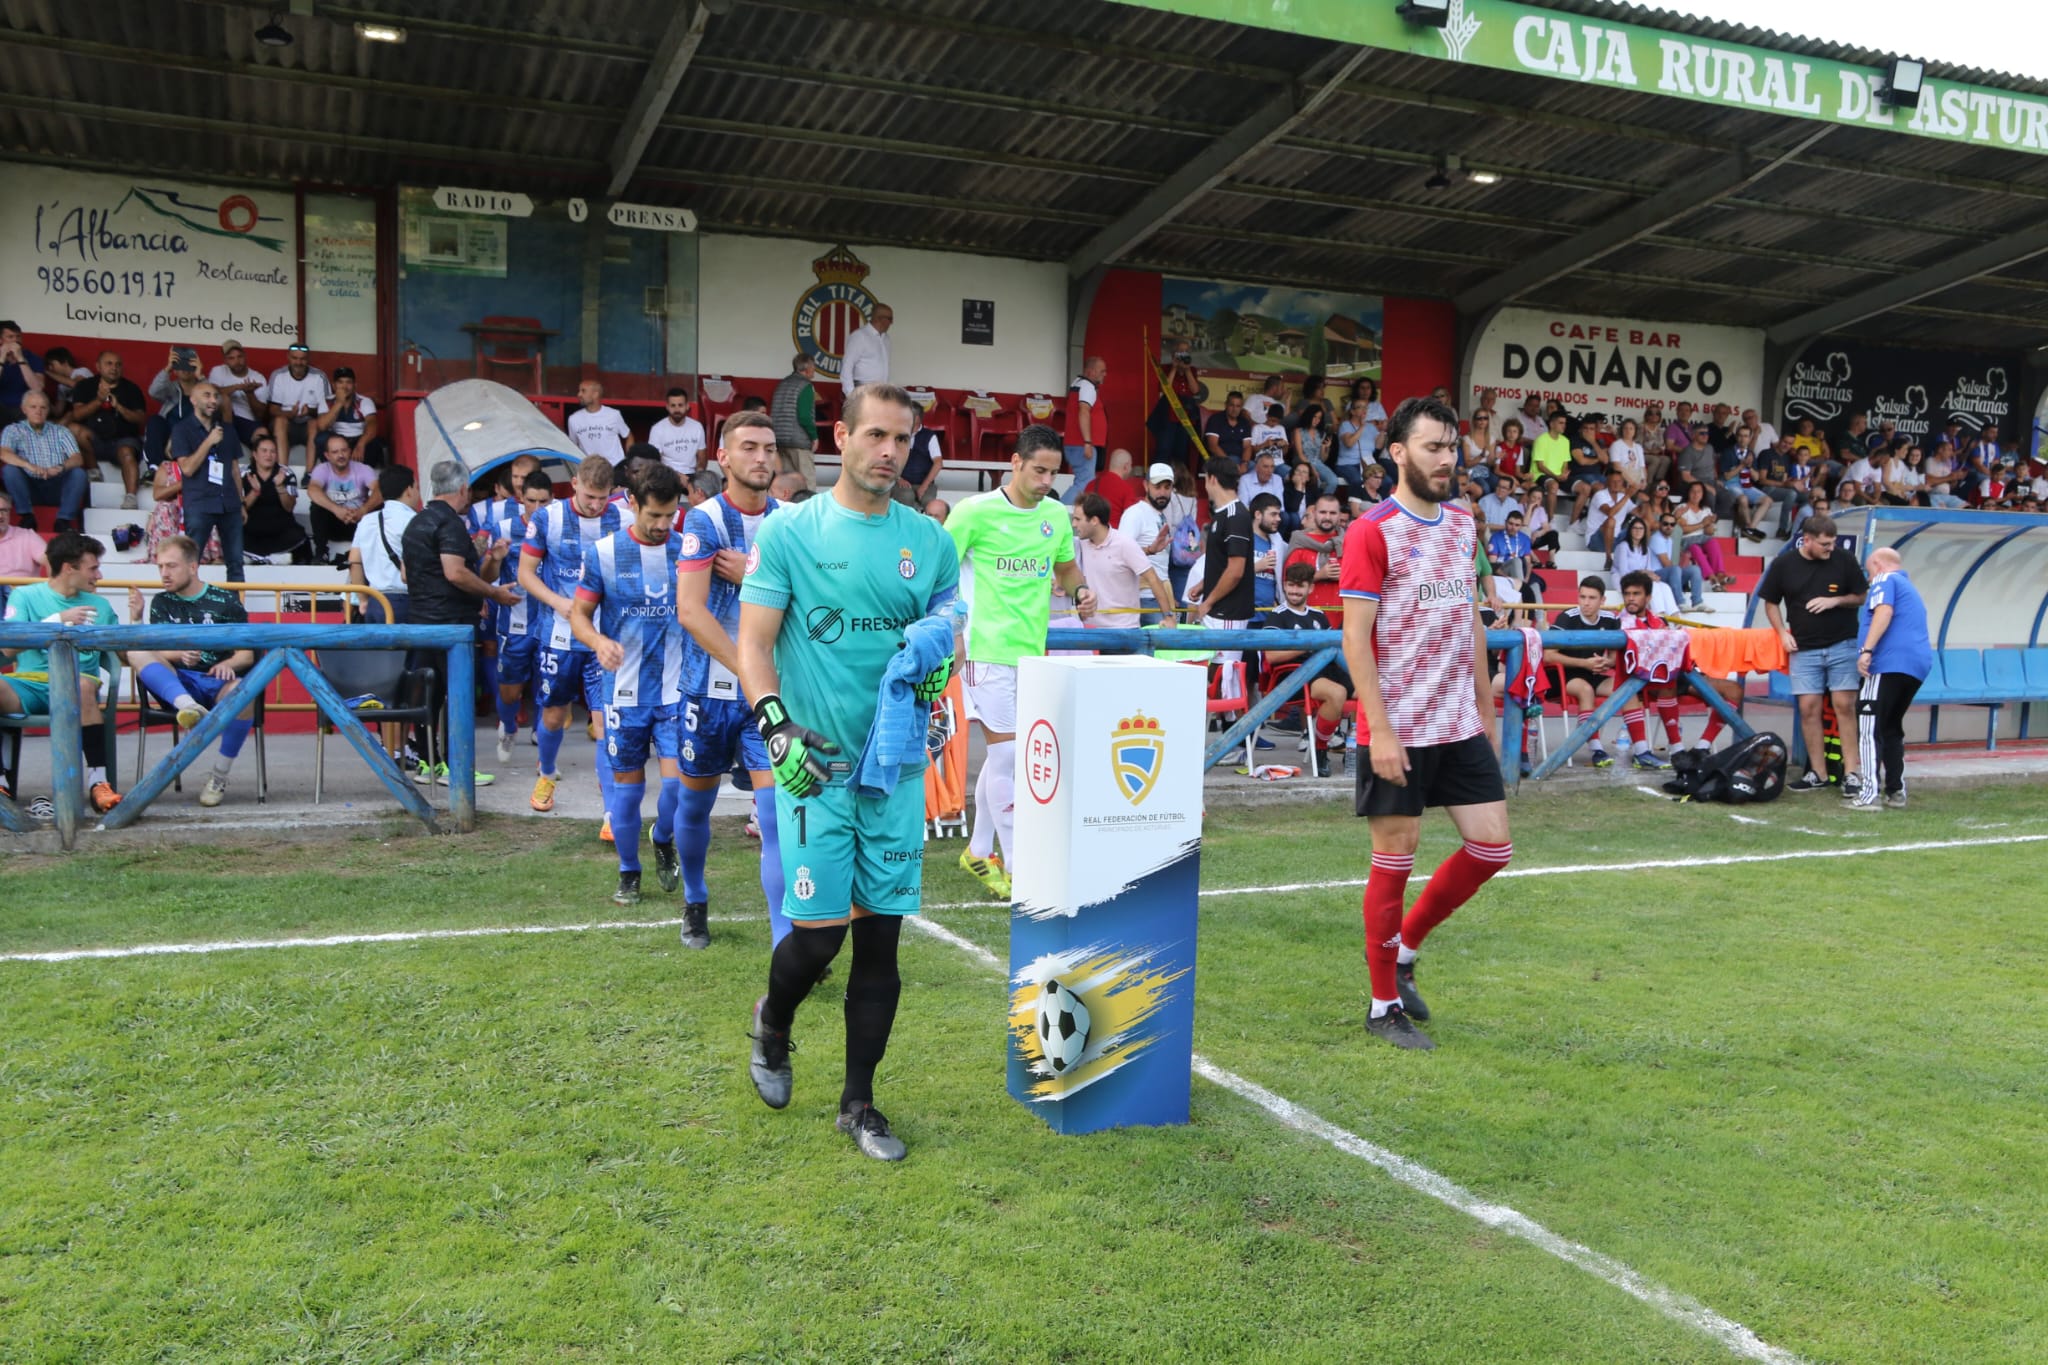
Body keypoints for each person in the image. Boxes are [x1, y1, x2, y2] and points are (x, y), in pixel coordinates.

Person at [737, 380, 960, 1162]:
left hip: (893, 774)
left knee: (882, 943)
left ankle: (859, 1102)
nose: (889, 451)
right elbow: (754, 646)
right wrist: (777, 729)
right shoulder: (793, 530)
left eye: (901, 439)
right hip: (813, 770)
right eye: (874, 435)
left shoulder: (929, 541)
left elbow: (942, 635)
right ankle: (775, 1019)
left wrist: (933, 682)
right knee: (820, 938)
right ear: (841, 435)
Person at [1340, 396, 1512, 1050]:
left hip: (1456, 720)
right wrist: (1379, 729)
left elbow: (1467, 616)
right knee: (1394, 859)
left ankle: (1406, 949)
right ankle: (1384, 1003)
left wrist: (1486, 707)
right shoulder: (1371, 531)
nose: (1447, 458)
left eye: (1451, 446)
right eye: (1433, 446)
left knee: (1492, 846)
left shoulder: (1464, 522)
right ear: (1398, 453)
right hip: (1398, 726)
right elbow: (1356, 638)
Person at [946, 423, 1094, 897]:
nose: (1047, 480)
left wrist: (1080, 590)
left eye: (1053, 472)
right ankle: (1018, 865)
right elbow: (939, 570)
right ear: (1014, 463)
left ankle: (976, 850)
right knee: (1011, 755)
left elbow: (1066, 566)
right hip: (984, 650)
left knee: (1005, 757)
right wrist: (952, 631)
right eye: (1038, 470)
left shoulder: (1054, 515)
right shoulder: (973, 512)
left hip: (1032, 653)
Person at [673, 412, 785, 948]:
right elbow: (691, 611)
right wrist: (749, 671)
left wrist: (757, 573)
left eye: (768, 448)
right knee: (695, 805)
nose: (761, 457)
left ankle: (788, 940)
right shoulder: (704, 522)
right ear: (724, 458)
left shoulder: (791, 521)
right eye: (748, 447)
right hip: (709, 692)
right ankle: (695, 900)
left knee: (775, 816)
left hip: (767, 700)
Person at [568, 462, 689, 907]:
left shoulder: (689, 551)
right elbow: (578, 615)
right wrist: (598, 641)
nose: (662, 525)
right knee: (628, 790)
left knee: (678, 788)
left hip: (678, 691)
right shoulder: (603, 553)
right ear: (632, 503)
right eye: (653, 515)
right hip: (623, 692)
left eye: (669, 515)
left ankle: (662, 836)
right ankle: (628, 872)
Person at [520, 457, 626, 824]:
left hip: (603, 640)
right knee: (553, 717)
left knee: (604, 722)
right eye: (589, 496)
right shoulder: (547, 519)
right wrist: (558, 602)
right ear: (575, 483)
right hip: (559, 638)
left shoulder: (623, 519)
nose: (596, 505)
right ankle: (547, 774)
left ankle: (611, 812)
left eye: (602, 498)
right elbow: (525, 573)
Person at [401, 460, 517, 786]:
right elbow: (454, 572)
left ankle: (428, 764)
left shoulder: (416, 523)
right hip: (451, 625)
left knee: (428, 696)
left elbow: (407, 574)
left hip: (420, 622)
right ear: (463, 488)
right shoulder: (450, 523)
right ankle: (457, 765)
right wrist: (492, 592)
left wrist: (485, 555)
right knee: (458, 695)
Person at [125, 535, 256, 808]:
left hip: (215, 682)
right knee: (135, 651)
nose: (164, 574)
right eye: (160, 567)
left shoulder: (226, 601)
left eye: (171, 566)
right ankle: (189, 707)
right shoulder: (161, 602)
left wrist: (227, 664)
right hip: (175, 684)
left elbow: (247, 654)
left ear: (193, 567)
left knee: (245, 694)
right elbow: (154, 650)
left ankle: (219, 777)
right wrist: (137, 620)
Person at [0, 531, 122, 813]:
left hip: (79, 686)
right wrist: (56, 621)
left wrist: (137, 619)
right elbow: (8, 650)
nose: (99, 575)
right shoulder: (25, 595)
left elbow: (122, 651)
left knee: (81, 685)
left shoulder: (101, 606)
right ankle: (2, 781)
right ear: (69, 568)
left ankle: (98, 784)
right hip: (28, 687)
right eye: (93, 568)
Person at [1756, 513, 1867, 795]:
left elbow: (1861, 595)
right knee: (1808, 710)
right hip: (1804, 648)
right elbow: (1770, 602)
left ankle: (1852, 773)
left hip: (1842, 643)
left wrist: (1835, 601)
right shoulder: (1784, 564)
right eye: (1825, 544)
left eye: (1832, 543)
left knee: (1844, 705)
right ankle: (1817, 773)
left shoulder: (1844, 560)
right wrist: (1782, 633)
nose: (1831, 548)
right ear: (1806, 540)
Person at [1849, 547, 1931, 811]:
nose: (1868, 577)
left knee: (1868, 727)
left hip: (1888, 663)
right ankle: (1896, 791)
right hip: (1915, 667)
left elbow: (1884, 612)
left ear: (1876, 563)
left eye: (1868, 569)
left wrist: (1867, 650)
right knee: (1891, 727)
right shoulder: (1910, 588)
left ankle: (1868, 794)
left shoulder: (1885, 579)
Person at [1256, 560, 1352, 767]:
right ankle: (1320, 746)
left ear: (1311, 588)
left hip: (1326, 668)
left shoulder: (1318, 615)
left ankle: (1359, 748)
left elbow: (1333, 648)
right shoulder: (1277, 616)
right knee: (1337, 694)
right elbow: (1271, 656)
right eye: (1290, 585)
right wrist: (1311, 643)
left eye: (1300, 586)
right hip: (1294, 675)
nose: (1294, 590)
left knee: (1370, 688)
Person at [486, 469, 552, 761]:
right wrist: (494, 559)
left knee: (548, 688)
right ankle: (509, 725)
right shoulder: (503, 528)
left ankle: (545, 754)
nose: (537, 508)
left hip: (551, 622)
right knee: (510, 693)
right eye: (531, 501)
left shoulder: (560, 528)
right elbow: (486, 576)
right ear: (520, 499)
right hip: (514, 623)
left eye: (544, 502)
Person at [167, 381, 248, 584]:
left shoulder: (227, 429)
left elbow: (234, 469)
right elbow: (187, 468)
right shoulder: (181, 429)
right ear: (193, 400)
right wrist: (209, 442)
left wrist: (242, 502)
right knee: (191, 562)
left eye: (215, 395)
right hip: (199, 502)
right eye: (207, 395)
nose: (213, 400)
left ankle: (235, 611)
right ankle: (190, 608)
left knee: (236, 563)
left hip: (229, 501)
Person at [1071, 492, 1172, 630]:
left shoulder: (1125, 544)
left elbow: (1153, 578)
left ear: (1094, 520)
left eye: (1077, 519)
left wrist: (1169, 617)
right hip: (1091, 631)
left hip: (1124, 631)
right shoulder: (1080, 544)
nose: (1073, 524)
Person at [1, 391, 88, 534]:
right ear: (24, 409)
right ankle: (27, 516)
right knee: (9, 470)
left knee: (78, 473)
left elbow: (77, 458)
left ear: (48, 410)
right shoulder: (13, 430)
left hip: (56, 485)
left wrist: (60, 467)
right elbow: (4, 453)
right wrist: (29, 465)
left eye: (43, 407)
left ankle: (63, 521)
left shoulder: (61, 431)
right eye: (33, 407)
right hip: (29, 486)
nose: (38, 411)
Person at [67, 351, 148, 503]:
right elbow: (77, 415)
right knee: (74, 429)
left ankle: (131, 498)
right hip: (94, 442)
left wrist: (119, 407)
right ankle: (93, 471)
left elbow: (140, 419)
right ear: (98, 366)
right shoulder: (85, 386)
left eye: (118, 364)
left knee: (127, 452)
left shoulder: (131, 389)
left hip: (122, 440)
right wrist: (98, 400)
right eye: (109, 363)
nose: (114, 368)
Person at [1189, 455, 1254, 643]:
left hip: (1227, 613)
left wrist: (1208, 602)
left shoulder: (1236, 516)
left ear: (1212, 479)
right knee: (1214, 670)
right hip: (1218, 610)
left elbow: (1235, 570)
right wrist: (1203, 585)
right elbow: (1222, 561)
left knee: (1226, 672)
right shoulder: (1223, 514)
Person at [1119, 462, 1191, 625]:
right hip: (1144, 598)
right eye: (1157, 486)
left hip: (1160, 597)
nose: (1163, 493)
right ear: (1145, 485)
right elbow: (1120, 553)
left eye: (1167, 487)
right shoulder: (1135, 514)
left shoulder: (1159, 515)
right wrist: (1149, 550)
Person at [348, 464, 421, 624]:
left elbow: (354, 562)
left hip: (374, 601)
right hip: (404, 602)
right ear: (409, 490)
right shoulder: (414, 521)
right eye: (416, 488)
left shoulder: (366, 521)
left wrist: (363, 600)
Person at [305, 432, 380, 567]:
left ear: (350, 451)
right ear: (327, 455)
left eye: (344, 450)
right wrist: (336, 510)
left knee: (379, 504)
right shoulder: (321, 469)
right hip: (334, 523)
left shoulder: (363, 469)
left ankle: (374, 551)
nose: (341, 455)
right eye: (335, 452)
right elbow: (312, 490)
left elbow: (379, 491)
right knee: (316, 505)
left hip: (358, 522)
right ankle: (321, 552)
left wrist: (363, 510)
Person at [239, 433, 308, 563]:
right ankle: (265, 558)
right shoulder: (244, 474)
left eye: (272, 451)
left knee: (298, 537)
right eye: (264, 451)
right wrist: (255, 491)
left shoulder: (286, 473)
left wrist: (280, 487)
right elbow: (241, 509)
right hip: (252, 529)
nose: (268, 455)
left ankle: (267, 558)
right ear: (254, 454)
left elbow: (289, 507)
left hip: (281, 529)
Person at [267, 342, 331, 466]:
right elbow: (273, 409)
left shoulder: (319, 376)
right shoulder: (278, 375)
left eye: (302, 359)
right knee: (280, 421)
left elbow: (327, 410)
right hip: (286, 424)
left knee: (313, 423)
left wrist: (311, 411)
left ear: (308, 359)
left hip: (308, 424)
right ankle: (283, 470)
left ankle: (309, 473)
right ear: (288, 357)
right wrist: (290, 414)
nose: (298, 362)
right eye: (295, 358)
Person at [312, 367, 386, 468]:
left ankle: (362, 473)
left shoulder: (364, 401)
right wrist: (339, 403)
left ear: (355, 385)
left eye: (348, 382)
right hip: (337, 440)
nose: (344, 387)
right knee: (321, 438)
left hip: (358, 440)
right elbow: (322, 426)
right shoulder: (326, 401)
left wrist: (361, 444)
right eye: (340, 382)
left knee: (374, 443)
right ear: (334, 385)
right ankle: (333, 470)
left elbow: (372, 426)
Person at [1283, 492, 1345, 613]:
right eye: (1323, 512)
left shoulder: (1348, 542)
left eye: (1332, 513)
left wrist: (1344, 576)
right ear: (1314, 513)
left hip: (1343, 617)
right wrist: (1319, 575)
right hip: (1306, 619)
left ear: (1339, 515)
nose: (1327, 517)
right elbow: (1288, 582)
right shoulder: (1299, 542)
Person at [1061, 355, 1107, 506]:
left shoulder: (1078, 383)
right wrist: (1087, 442)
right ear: (1092, 371)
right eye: (1102, 371)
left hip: (1075, 443)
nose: (1104, 374)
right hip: (1082, 444)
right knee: (1085, 483)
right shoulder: (1087, 386)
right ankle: (1060, 510)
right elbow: (1084, 411)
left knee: (1082, 481)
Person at [769, 355, 820, 488]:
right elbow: (804, 416)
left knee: (787, 483)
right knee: (807, 482)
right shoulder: (806, 386)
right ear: (807, 369)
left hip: (779, 439)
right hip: (799, 442)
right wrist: (814, 437)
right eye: (813, 367)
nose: (815, 370)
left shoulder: (782, 384)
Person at [207, 340, 270, 445]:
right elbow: (212, 394)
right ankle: (229, 438)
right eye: (231, 358)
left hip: (246, 421)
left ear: (245, 356)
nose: (237, 361)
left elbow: (260, 415)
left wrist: (250, 393)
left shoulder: (258, 377)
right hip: (222, 420)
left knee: (262, 433)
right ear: (225, 360)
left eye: (240, 357)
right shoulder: (218, 371)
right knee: (224, 398)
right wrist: (237, 387)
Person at [567, 380, 631, 466]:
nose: (579, 394)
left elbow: (628, 436)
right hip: (589, 470)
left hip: (614, 468)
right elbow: (572, 446)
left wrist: (628, 460)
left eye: (583, 391)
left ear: (595, 394)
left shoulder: (614, 415)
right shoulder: (573, 419)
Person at [649, 386, 707, 478]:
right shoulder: (657, 429)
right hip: (667, 476)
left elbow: (702, 459)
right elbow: (655, 461)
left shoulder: (697, 427)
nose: (676, 410)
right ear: (667, 407)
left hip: (691, 475)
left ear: (687, 406)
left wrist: (699, 476)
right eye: (673, 405)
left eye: (680, 405)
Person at [838, 303, 893, 397]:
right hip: (862, 391)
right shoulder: (860, 336)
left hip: (881, 392)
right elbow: (847, 366)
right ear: (880, 319)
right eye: (890, 319)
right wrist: (851, 394)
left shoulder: (886, 338)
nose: (891, 323)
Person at [0, 320, 44, 425]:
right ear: (1, 340)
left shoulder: (32, 358)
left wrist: (20, 359)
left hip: (23, 408)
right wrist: (2, 358)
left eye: (18, 336)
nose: (16, 340)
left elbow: (38, 388)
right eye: (10, 337)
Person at [901, 402, 945, 506]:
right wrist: (898, 478)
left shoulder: (929, 436)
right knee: (906, 496)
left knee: (929, 501)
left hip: (924, 482)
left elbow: (938, 463)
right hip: (901, 482)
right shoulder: (898, 433)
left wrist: (924, 486)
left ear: (916, 418)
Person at [1248, 493, 1285, 612]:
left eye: (1279, 514)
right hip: (1242, 614)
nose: (1278, 519)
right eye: (1273, 514)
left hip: (1269, 614)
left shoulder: (1277, 543)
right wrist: (1256, 567)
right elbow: (1226, 572)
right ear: (1258, 514)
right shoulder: (1242, 539)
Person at [1201, 391, 1252, 466]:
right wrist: (1230, 464)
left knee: (1257, 468)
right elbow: (1213, 446)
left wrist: (1244, 464)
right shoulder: (1216, 419)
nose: (1234, 409)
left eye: (1238, 406)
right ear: (1226, 405)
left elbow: (1247, 447)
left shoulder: (1244, 422)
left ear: (1241, 407)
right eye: (1232, 405)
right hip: (1220, 460)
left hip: (1240, 461)